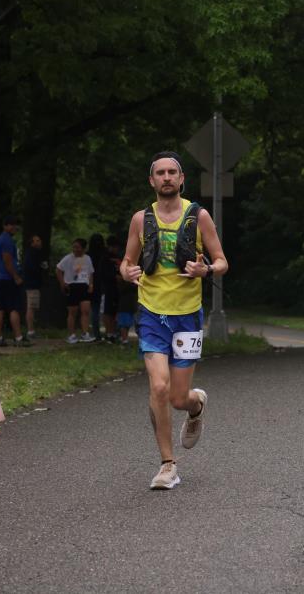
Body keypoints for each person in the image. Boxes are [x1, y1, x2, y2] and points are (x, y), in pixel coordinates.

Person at [120, 151, 228, 490]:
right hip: (152, 314)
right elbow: (126, 262)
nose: (166, 177)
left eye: (172, 172)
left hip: (187, 317)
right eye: (160, 173)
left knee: (179, 398)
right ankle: (168, 465)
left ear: (181, 180)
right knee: (159, 387)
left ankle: (196, 405)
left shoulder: (199, 216)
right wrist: (127, 272)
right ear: (151, 181)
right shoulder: (141, 219)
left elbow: (222, 261)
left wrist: (205, 269)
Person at [0, 216, 30, 347]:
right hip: (8, 278)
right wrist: (16, 276)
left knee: (0, 308)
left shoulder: (0, 239)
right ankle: (18, 338)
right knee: (14, 308)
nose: (15, 228)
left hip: (0, 277)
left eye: (16, 225)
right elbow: (7, 261)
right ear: (5, 226)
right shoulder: (7, 241)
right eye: (12, 225)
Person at [56, 238, 95, 344]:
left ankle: (85, 333)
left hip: (84, 286)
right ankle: (72, 335)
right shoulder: (68, 258)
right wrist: (62, 283)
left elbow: (90, 272)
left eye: (78, 247)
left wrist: (91, 284)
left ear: (83, 248)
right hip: (72, 286)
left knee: (85, 310)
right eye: (74, 247)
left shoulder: (87, 258)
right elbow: (58, 269)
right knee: (72, 312)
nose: (75, 249)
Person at [23, 234, 48, 340]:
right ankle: (30, 332)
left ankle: (31, 330)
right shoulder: (32, 253)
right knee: (31, 307)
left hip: (33, 284)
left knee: (32, 308)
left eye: (39, 240)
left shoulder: (35, 253)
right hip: (32, 284)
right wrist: (41, 267)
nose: (39, 242)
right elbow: (31, 267)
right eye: (36, 240)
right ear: (31, 243)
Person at [100, 235, 122, 342]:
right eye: (114, 247)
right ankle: (109, 333)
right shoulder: (104, 258)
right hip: (107, 288)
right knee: (107, 312)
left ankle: (113, 333)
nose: (116, 249)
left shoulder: (119, 257)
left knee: (114, 312)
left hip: (117, 289)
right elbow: (103, 273)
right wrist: (114, 277)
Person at [87, 233, 106, 340]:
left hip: (88, 284)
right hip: (101, 285)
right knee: (100, 310)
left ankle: (93, 333)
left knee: (91, 310)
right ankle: (106, 333)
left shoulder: (87, 256)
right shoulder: (104, 254)